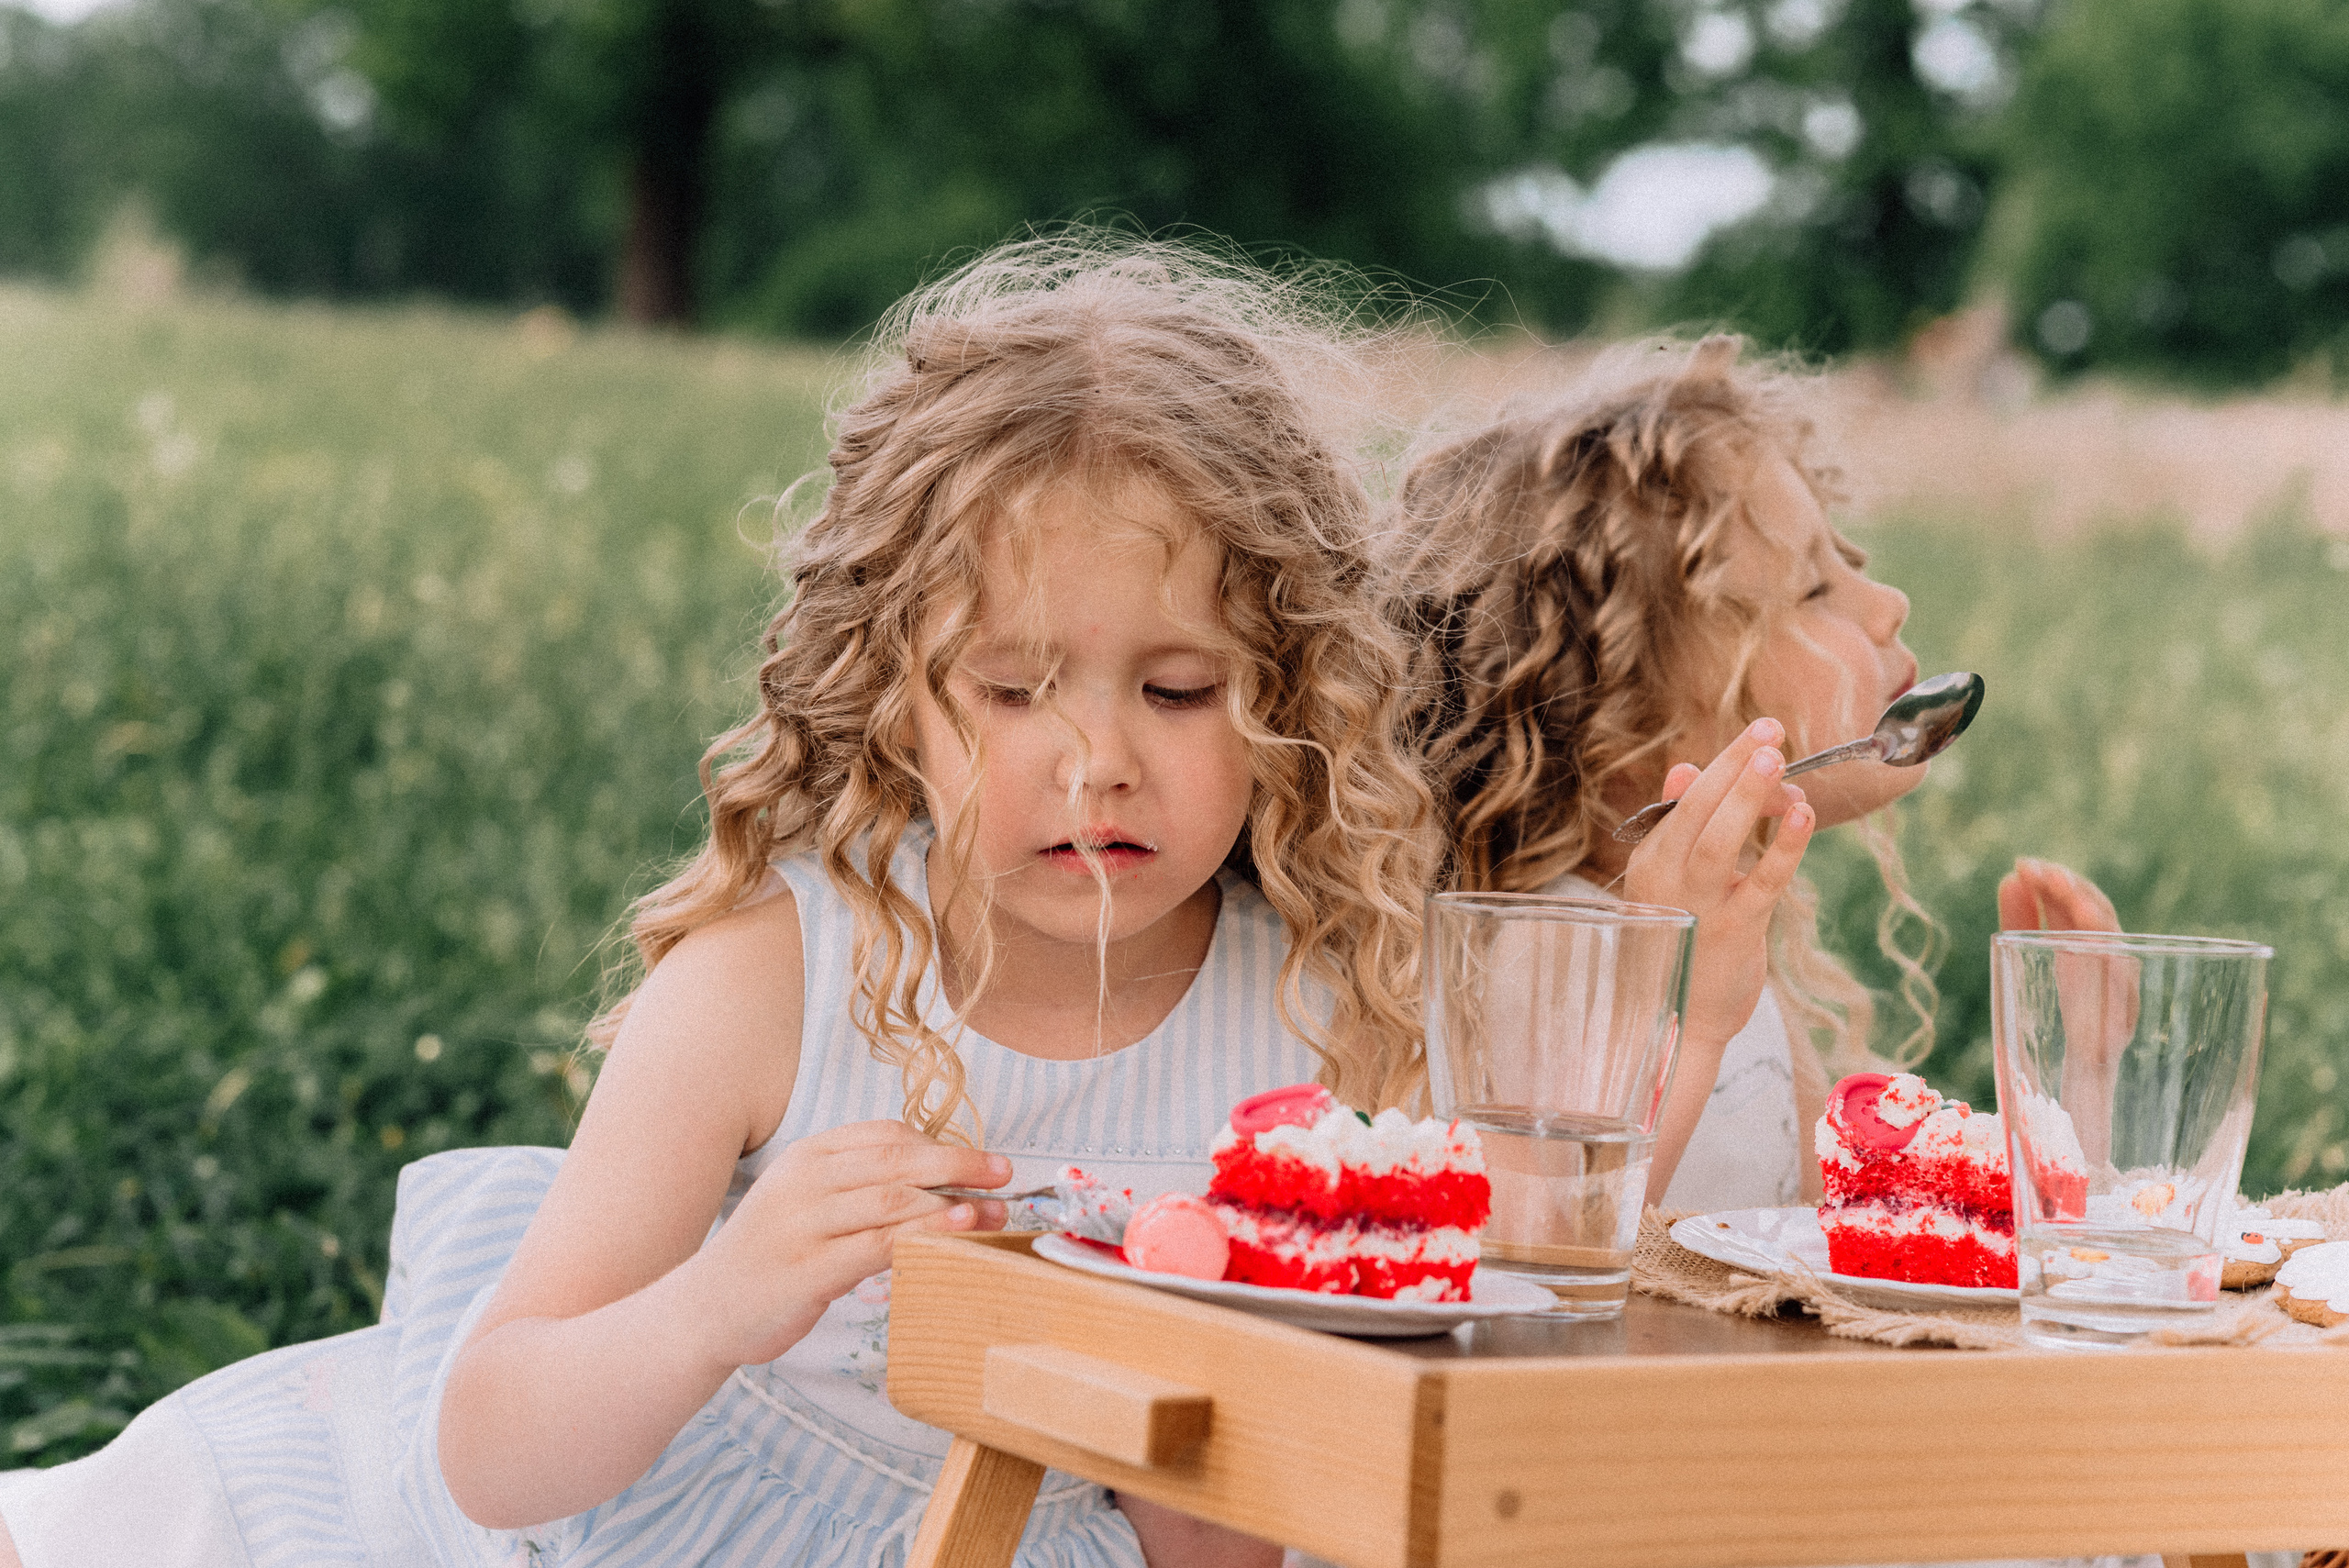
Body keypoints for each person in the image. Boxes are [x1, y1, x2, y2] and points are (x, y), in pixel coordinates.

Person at [0, 237, 1438, 1568]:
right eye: (1013, 689)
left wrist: (1192, 1416)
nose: (1102, 761)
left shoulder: (1309, 1020)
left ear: (1294, 700)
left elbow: (1228, 1544)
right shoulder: (782, 978)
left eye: (1180, 691)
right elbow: (494, 1448)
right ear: (892, 698)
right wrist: (721, 1298)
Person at [1386, 335, 2116, 1212]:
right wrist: (1684, 1022)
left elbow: (1864, 1242)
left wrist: (2077, 1066)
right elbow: (1542, 1260)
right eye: (1812, 589)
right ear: (1626, 717)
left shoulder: (1734, 959)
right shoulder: (1549, 955)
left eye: (1846, 561)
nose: (1887, 604)